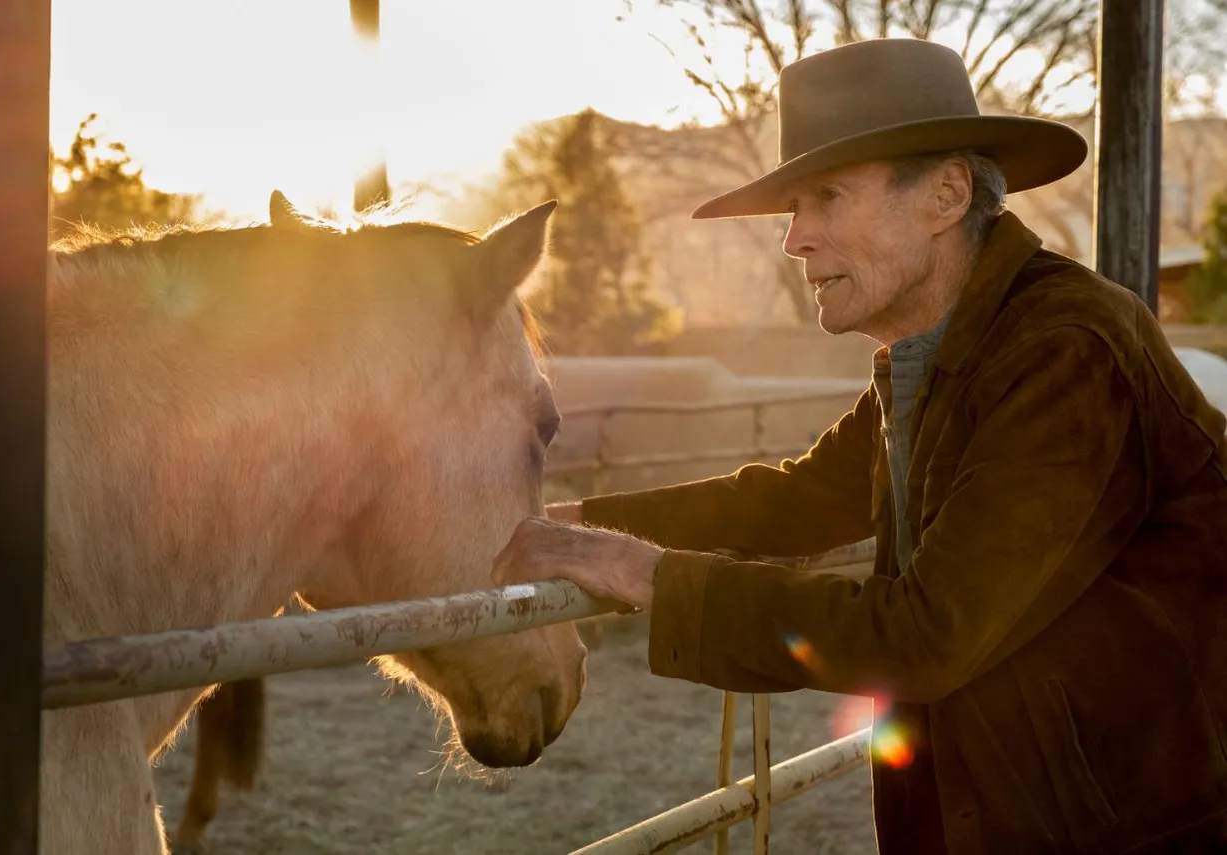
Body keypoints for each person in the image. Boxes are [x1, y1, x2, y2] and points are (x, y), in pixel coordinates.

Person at [492, 38, 1227, 854]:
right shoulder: (942, 352)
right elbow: (800, 496)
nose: (794, 239)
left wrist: (638, 574)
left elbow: (925, 635)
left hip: (1130, 829)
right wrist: (576, 523)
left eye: (827, 197)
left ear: (946, 195)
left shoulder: (1066, 353)